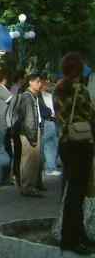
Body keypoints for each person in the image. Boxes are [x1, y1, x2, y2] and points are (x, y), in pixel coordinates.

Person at [54, 53, 95, 255]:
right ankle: (72, 238)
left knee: (71, 190)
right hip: (81, 144)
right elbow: (90, 115)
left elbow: (60, 116)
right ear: (79, 69)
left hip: (65, 143)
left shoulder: (58, 89)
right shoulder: (82, 90)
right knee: (77, 194)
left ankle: (72, 234)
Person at [16, 72, 44, 197]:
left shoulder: (33, 95)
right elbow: (28, 119)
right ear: (30, 82)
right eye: (37, 81)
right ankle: (27, 187)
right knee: (29, 160)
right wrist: (32, 136)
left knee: (33, 160)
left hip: (32, 131)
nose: (40, 84)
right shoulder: (28, 97)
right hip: (29, 132)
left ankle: (30, 185)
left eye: (40, 81)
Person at [40, 75, 60, 177]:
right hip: (48, 121)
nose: (47, 84)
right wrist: (50, 113)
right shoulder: (40, 95)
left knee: (52, 144)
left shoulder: (49, 94)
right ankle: (50, 168)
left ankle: (51, 166)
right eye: (45, 82)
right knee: (49, 145)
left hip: (53, 121)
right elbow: (43, 109)